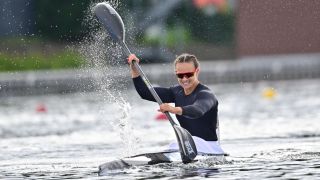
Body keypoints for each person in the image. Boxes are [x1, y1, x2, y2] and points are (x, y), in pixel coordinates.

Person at [127, 53, 224, 154]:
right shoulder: (176, 92)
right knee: (171, 147)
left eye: (189, 74)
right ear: (176, 74)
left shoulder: (206, 94)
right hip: (188, 146)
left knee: (175, 146)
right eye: (180, 75)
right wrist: (134, 68)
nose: (185, 79)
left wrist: (173, 109)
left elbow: (197, 110)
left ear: (197, 71)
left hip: (209, 147)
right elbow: (145, 92)